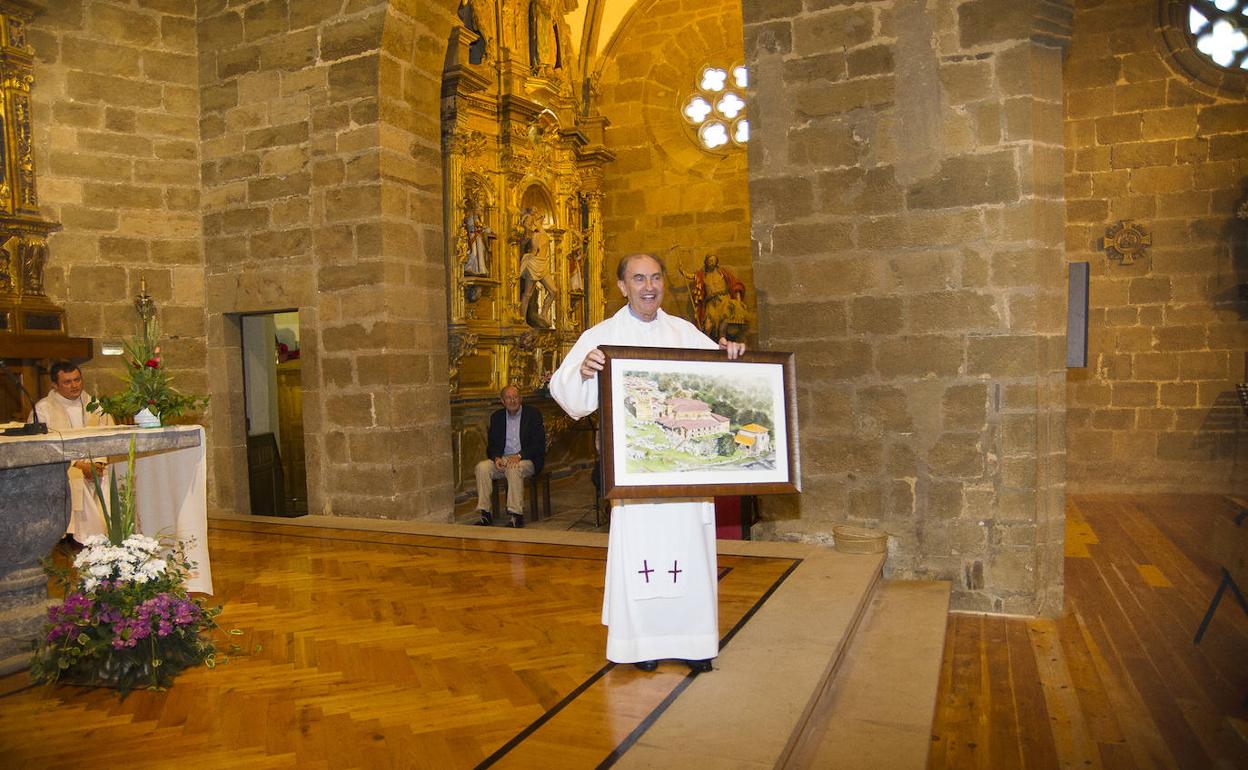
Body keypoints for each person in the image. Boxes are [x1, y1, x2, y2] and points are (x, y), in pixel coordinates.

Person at [548, 253, 745, 673]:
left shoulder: (684, 331)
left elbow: (721, 376)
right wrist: (584, 373)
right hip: (634, 478)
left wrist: (731, 353)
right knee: (640, 556)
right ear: (622, 286)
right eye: (639, 279)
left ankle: (694, 643)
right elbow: (565, 394)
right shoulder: (601, 336)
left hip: (686, 476)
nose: (649, 286)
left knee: (689, 553)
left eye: (655, 277)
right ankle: (642, 646)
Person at [31, 361, 116, 543]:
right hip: (65, 466)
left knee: (111, 477)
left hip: (97, 464)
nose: (74, 385)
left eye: (77, 380)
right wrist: (79, 465)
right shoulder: (42, 409)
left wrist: (99, 462)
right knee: (77, 478)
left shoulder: (95, 405)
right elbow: (41, 448)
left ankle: (108, 533)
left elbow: (109, 437)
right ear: (54, 384)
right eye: (67, 382)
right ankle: (79, 538)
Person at [474, 384, 546, 529]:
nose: (512, 401)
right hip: (504, 458)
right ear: (502, 401)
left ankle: (516, 516)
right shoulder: (497, 417)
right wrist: (496, 458)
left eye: (515, 397)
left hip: (527, 459)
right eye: (508, 398)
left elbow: (539, 445)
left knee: (514, 468)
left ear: (521, 399)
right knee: (481, 467)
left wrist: (519, 456)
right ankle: (485, 514)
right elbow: (492, 445)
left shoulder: (533, 414)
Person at [680, 253, 748, 341]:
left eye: (713, 260)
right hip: (711, 303)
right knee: (707, 327)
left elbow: (735, 285)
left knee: (723, 327)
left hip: (724, 300)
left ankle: (722, 345)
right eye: (709, 260)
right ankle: (706, 347)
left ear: (716, 262)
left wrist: (738, 302)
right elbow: (691, 276)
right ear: (706, 262)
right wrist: (682, 271)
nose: (711, 262)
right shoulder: (702, 275)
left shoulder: (723, 273)